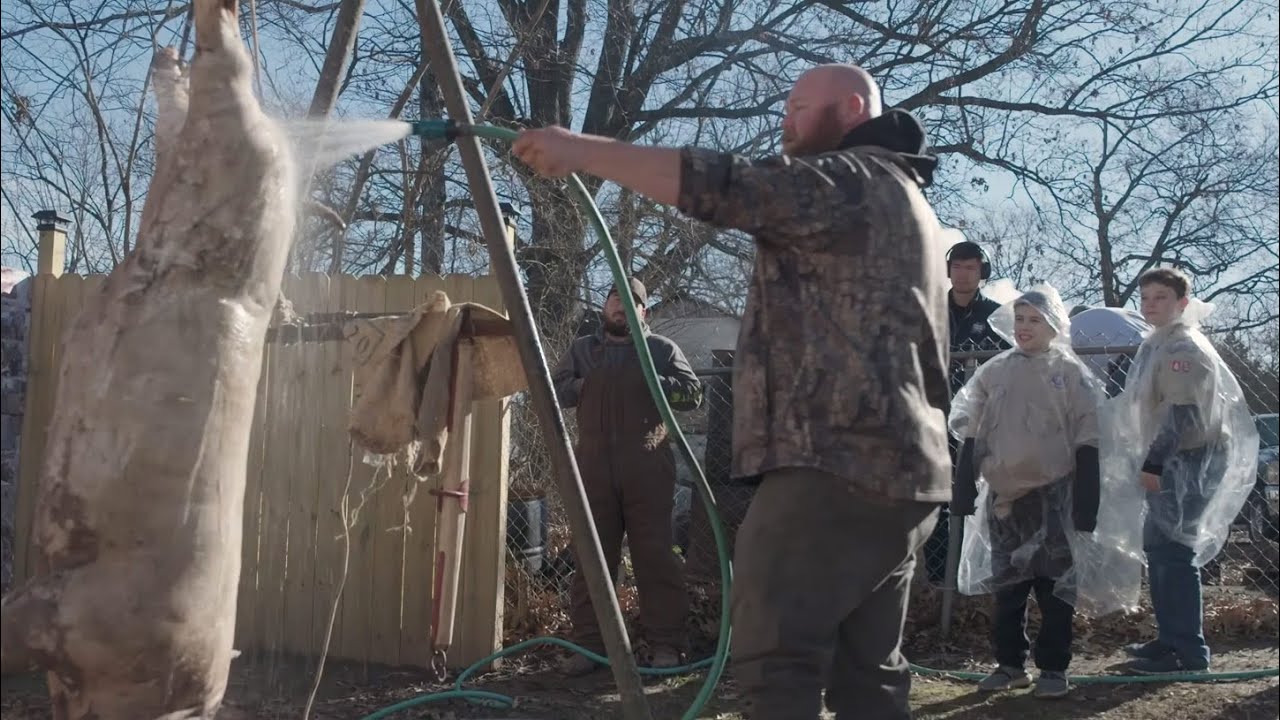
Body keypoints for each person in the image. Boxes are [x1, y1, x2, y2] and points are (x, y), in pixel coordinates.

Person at [516, 63, 951, 719]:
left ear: (855, 107)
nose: (787, 120)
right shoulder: (906, 200)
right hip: (905, 479)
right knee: (870, 672)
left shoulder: (850, 181)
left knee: (775, 659)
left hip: (831, 465)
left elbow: (725, 185)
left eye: (802, 106)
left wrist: (579, 151)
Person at [948, 285, 1102, 699]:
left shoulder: (1070, 374)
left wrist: (1087, 504)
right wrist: (963, 491)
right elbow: (971, 432)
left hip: (1054, 498)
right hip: (1004, 503)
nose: (1025, 327)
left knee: (1055, 589)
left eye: (1034, 320)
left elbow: (1088, 439)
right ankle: (1009, 664)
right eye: (1019, 319)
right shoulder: (995, 371)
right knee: (1009, 588)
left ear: (1053, 325)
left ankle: (1054, 667)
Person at [550, 278, 703, 675]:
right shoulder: (583, 351)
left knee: (654, 556)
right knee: (593, 556)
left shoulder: (661, 350)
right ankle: (591, 646)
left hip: (648, 466)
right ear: (604, 308)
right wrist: (589, 385)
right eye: (614, 298)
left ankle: (666, 644)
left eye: (630, 301)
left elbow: (693, 394)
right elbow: (556, 393)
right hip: (594, 468)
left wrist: (656, 383)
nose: (621, 306)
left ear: (643, 312)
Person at [1114, 267, 1259, 674]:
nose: (1149, 305)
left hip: (1188, 460)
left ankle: (1189, 653)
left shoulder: (1182, 348)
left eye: (1160, 297)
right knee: (1159, 549)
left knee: (1175, 553)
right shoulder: (1158, 343)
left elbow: (1183, 414)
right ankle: (1169, 640)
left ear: (1181, 302)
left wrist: (1155, 463)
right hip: (1174, 460)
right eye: (1144, 298)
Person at [923, 239, 1010, 584]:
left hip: (978, 419)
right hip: (932, 415)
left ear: (982, 272)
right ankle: (937, 576)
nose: (963, 274)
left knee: (975, 496)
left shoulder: (995, 315)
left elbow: (1007, 364)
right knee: (936, 497)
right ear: (948, 271)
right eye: (957, 267)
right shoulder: (931, 310)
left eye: (971, 267)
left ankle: (971, 574)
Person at [1068, 304, 1151, 397]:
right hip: (1155, 345)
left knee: (1118, 403)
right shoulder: (1119, 312)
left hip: (1126, 359)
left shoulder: (1071, 325)